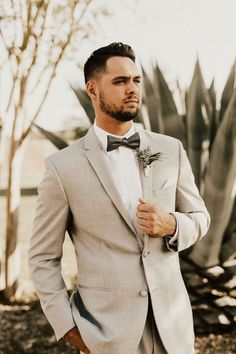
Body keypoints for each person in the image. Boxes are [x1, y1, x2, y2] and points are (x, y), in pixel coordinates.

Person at [29, 42, 210, 354]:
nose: (132, 89)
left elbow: (200, 219)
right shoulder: (62, 167)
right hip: (107, 337)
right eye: (120, 81)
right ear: (93, 89)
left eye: (135, 80)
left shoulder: (170, 150)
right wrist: (70, 328)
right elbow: (42, 258)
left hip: (173, 332)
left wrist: (171, 225)